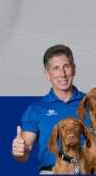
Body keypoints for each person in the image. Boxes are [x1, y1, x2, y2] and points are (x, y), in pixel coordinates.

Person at [12, 44, 83, 174]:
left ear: (74, 69)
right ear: (47, 74)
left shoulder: (92, 103)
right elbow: (24, 152)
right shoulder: (36, 109)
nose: (62, 74)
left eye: (66, 66)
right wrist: (19, 151)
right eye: (56, 68)